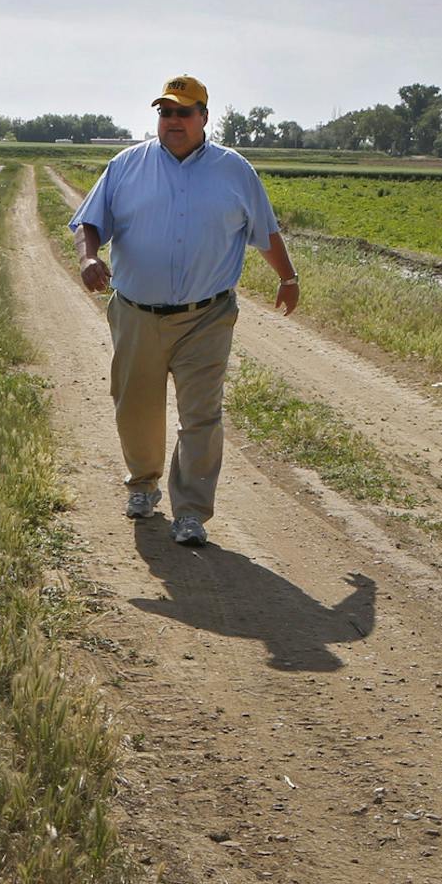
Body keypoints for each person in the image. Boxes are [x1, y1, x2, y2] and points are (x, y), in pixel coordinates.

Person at [67, 75, 299, 547]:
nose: (173, 120)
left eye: (183, 112)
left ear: (204, 117)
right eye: (165, 112)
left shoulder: (235, 172)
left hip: (206, 316)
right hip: (136, 312)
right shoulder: (126, 166)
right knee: (135, 407)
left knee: (201, 416)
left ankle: (191, 511)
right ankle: (144, 484)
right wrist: (89, 257)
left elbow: (266, 231)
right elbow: (89, 221)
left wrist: (288, 277)